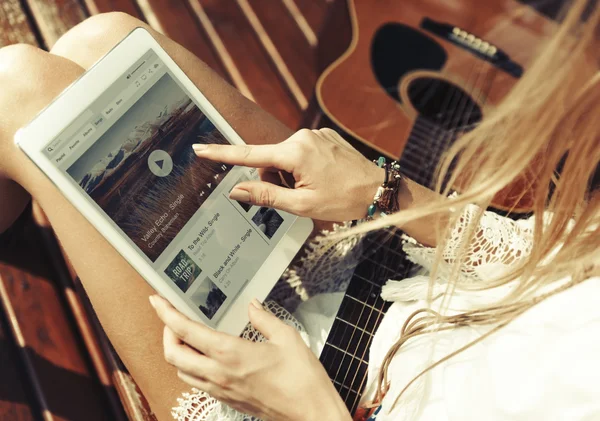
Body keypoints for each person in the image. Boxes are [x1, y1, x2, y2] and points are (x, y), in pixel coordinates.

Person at [0, 0, 598, 419]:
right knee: (106, 41)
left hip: (310, 400)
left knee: (19, 87)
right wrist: (384, 191)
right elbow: (550, 259)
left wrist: (304, 409)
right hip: (404, 268)